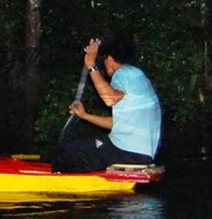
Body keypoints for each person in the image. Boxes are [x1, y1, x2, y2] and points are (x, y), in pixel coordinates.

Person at [52, 36, 161, 173]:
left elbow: (109, 99)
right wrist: (85, 116)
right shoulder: (138, 78)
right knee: (82, 150)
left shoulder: (123, 73)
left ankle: (58, 182)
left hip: (124, 149)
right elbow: (118, 123)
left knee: (65, 152)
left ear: (110, 58)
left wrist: (91, 65)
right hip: (141, 153)